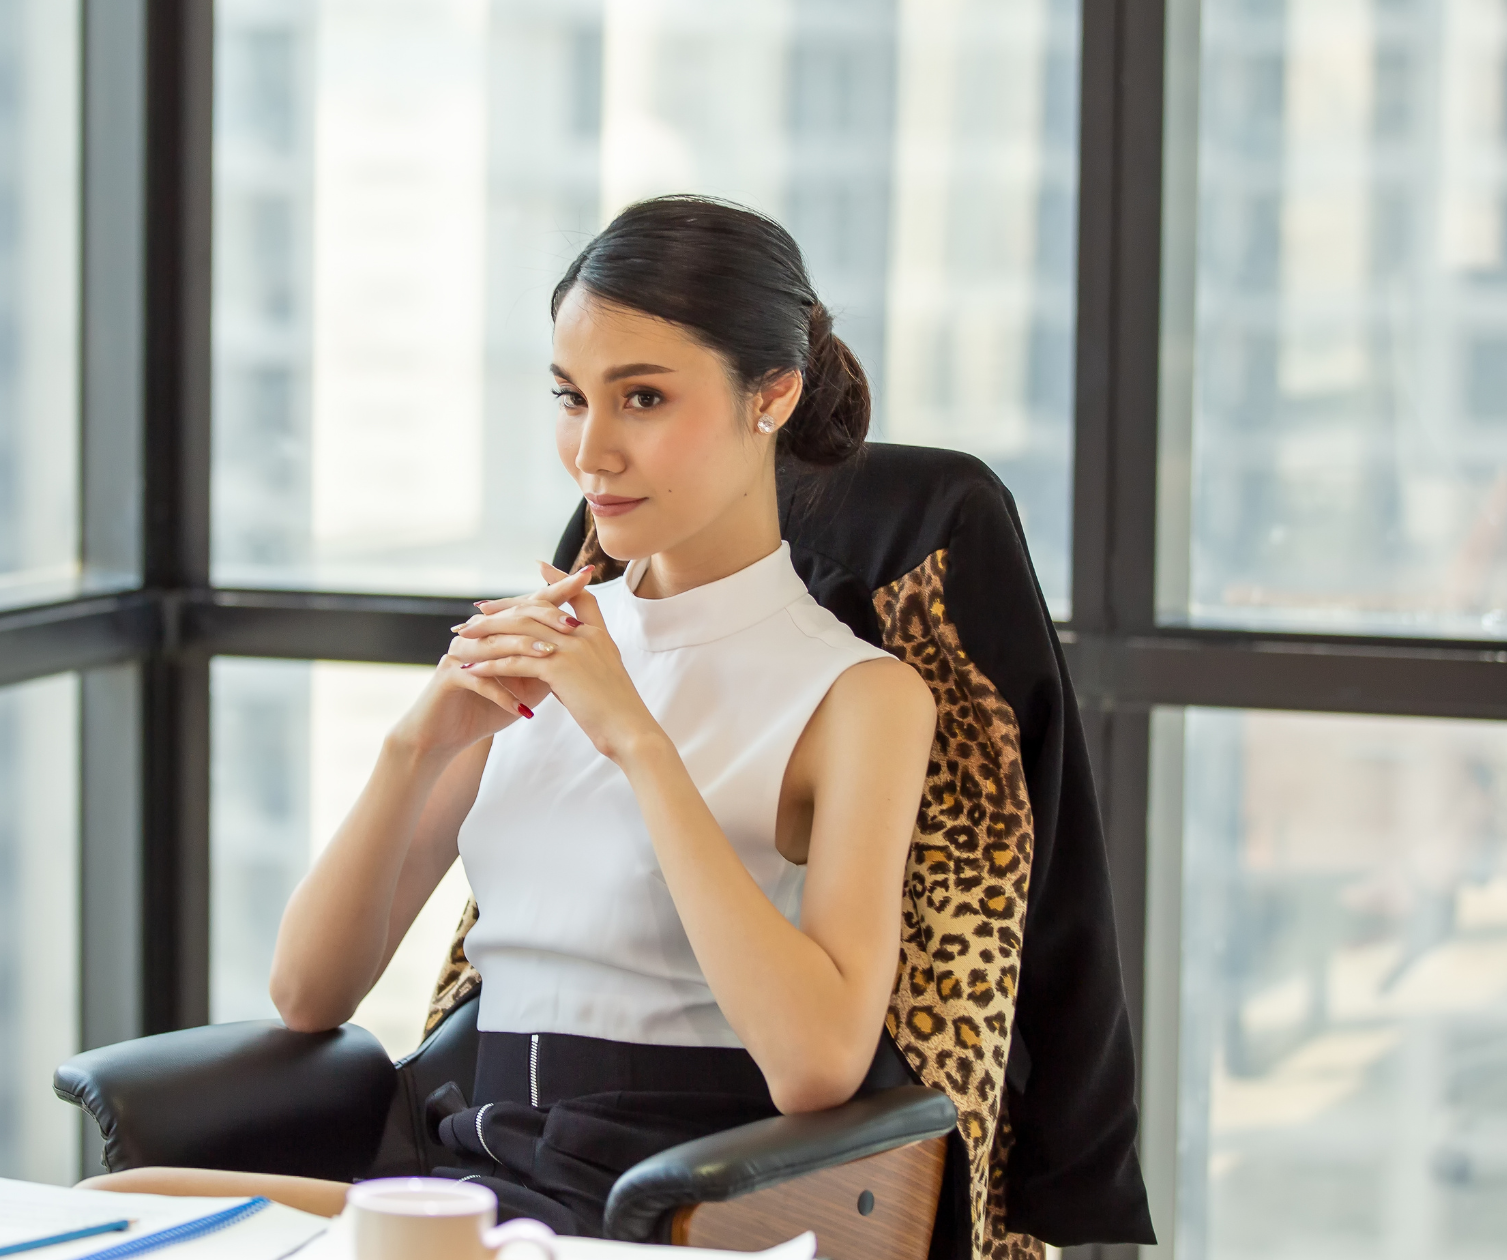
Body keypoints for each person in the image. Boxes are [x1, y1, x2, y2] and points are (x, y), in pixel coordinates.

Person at [85, 196, 937, 1236]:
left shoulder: (857, 696)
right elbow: (308, 992)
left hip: (644, 1197)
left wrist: (636, 739)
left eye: (643, 399)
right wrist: (417, 743)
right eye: (570, 397)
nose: (591, 453)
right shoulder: (547, 643)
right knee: (111, 1214)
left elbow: (816, 1065)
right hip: (456, 1161)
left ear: (772, 396)